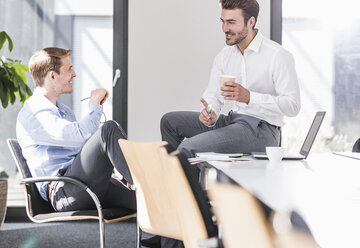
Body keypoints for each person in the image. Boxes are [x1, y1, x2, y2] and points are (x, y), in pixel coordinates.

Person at [161, 0, 301, 158]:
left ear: (251, 22)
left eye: (231, 22)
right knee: (169, 121)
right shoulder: (224, 56)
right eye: (223, 21)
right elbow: (213, 96)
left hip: (262, 130)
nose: (224, 29)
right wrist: (210, 113)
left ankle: (180, 180)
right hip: (233, 121)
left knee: (187, 147)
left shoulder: (277, 55)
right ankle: (174, 179)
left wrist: (249, 97)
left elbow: (293, 106)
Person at [16, 47, 136, 212]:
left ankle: (165, 236)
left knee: (146, 201)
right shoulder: (34, 115)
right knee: (108, 129)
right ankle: (140, 180)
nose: (74, 74)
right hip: (66, 190)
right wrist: (94, 105)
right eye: (69, 69)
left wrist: (117, 165)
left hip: (85, 182)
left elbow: (82, 147)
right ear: (52, 75)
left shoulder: (63, 110)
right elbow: (82, 136)